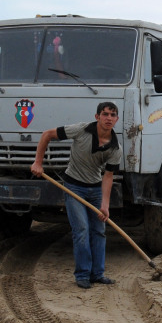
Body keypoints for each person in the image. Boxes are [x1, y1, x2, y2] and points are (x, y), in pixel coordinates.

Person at [31, 102, 122, 289]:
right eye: (105, 114)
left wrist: (105, 205)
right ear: (97, 117)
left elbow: (108, 176)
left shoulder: (115, 148)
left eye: (112, 115)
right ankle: (82, 275)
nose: (109, 118)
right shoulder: (81, 130)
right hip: (74, 188)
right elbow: (47, 134)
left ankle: (97, 274)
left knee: (99, 231)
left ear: (117, 119)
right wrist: (38, 163)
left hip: (96, 190)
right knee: (81, 230)